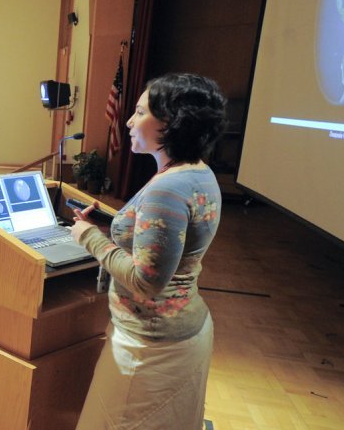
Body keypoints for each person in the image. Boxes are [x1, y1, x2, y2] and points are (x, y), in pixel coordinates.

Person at [70, 73, 227, 430]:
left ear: (171, 123)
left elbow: (146, 281)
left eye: (140, 112)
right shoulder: (198, 173)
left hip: (150, 347)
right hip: (179, 332)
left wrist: (88, 236)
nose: (128, 121)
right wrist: (120, 226)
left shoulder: (166, 190)